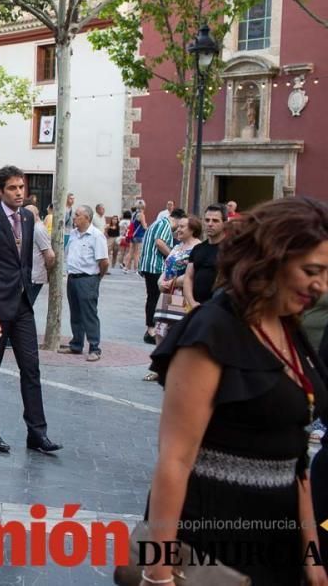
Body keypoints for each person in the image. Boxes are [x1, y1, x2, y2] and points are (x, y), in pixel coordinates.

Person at [141, 197, 328, 586]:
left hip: (277, 543)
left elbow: (297, 461)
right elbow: (174, 460)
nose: (321, 285)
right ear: (271, 259)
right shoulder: (212, 330)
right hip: (210, 542)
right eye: (311, 270)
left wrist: (312, 555)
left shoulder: (289, 330)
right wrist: (158, 574)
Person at [0, 165, 60, 454]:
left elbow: (23, 262)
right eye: (12, 188)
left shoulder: (27, 217)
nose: (19, 192)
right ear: (0, 192)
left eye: (21, 187)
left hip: (22, 305)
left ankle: (37, 433)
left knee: (31, 369)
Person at [58, 205, 110, 361]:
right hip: (73, 278)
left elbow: (104, 262)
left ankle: (95, 347)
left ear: (87, 218)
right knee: (76, 313)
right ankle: (76, 344)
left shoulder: (96, 236)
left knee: (89, 314)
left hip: (88, 278)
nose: (74, 217)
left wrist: (96, 278)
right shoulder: (73, 234)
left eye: (77, 215)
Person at [138, 208, 182, 344]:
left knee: (153, 296)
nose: (178, 229)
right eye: (180, 225)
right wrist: (172, 257)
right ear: (176, 219)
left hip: (148, 265)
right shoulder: (165, 224)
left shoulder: (158, 223)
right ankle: (151, 330)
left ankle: (153, 328)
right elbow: (160, 242)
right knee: (154, 297)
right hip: (154, 266)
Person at [184, 203, 227, 311]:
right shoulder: (198, 248)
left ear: (225, 223)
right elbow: (188, 277)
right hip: (195, 307)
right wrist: (192, 302)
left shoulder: (230, 249)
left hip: (218, 309)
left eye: (215, 221)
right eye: (207, 220)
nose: (210, 224)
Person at [24, 204, 55, 302]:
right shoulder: (31, 227)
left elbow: (50, 255)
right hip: (29, 275)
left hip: (35, 276)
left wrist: (47, 272)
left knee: (24, 308)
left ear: (35, 214)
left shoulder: (39, 229)